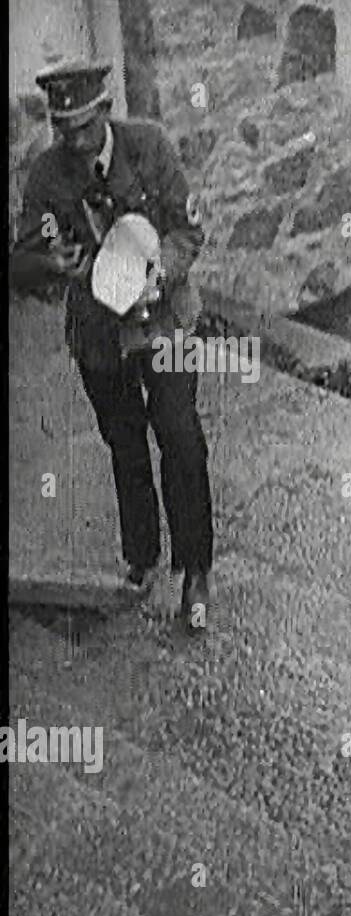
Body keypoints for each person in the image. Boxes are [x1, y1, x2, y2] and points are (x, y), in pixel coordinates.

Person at [10, 58, 211, 622]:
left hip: (164, 318)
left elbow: (188, 227)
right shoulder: (48, 176)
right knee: (125, 443)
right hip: (99, 332)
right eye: (62, 128)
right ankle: (141, 557)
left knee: (181, 437)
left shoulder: (149, 146)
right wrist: (50, 259)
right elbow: (26, 253)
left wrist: (160, 272)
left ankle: (195, 571)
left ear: (104, 110)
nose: (73, 140)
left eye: (82, 125)